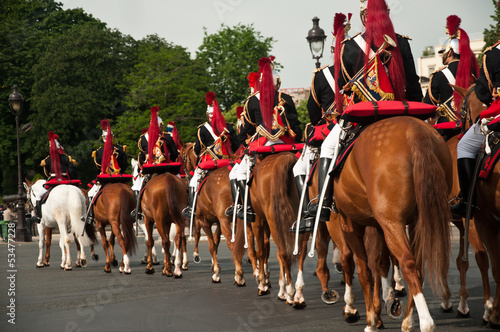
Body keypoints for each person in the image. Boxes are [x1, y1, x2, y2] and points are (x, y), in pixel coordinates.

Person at [311, 0, 423, 222]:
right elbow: (413, 85)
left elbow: (343, 85)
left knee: (328, 147)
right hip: (401, 112)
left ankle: (324, 203)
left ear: (364, 17)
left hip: (366, 115)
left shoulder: (349, 47)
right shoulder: (401, 42)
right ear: (387, 14)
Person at [292, 13, 350, 233]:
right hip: (364, 121)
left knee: (300, 168)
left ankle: (314, 209)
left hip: (336, 127)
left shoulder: (321, 75)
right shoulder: (360, 67)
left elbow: (313, 114)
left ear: (332, 49)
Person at [229, 56, 303, 222]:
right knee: (305, 167)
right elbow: (296, 127)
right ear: (277, 82)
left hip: (263, 142)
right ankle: (308, 203)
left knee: (238, 173)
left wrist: (245, 142)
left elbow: (246, 130)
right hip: (286, 143)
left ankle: (246, 208)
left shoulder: (252, 101)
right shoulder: (287, 98)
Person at [450, 39, 500, 217]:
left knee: (463, 145)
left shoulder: (493, 54)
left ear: (449, 53)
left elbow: (483, 93)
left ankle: (467, 203)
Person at [182, 91, 240, 218]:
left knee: (193, 182)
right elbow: (236, 146)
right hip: (228, 161)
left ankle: (191, 209)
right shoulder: (229, 127)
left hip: (209, 162)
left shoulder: (202, 129)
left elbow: (197, 150)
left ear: (208, 115)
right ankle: (240, 204)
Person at [423, 15, 479, 139]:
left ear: (449, 52)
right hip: (471, 128)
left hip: (447, 130)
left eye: (442, 52)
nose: (441, 55)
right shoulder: (473, 74)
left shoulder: (438, 76)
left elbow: (427, 106)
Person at [130, 106, 179, 219]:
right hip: (168, 168)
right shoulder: (167, 136)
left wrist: (141, 169)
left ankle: (138, 211)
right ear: (161, 126)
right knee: (183, 184)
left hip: (152, 169)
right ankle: (188, 207)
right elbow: (175, 154)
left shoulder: (143, 139)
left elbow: (141, 157)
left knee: (137, 187)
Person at [85, 119, 129, 223]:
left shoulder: (98, 152)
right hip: (119, 178)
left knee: (91, 194)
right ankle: (135, 211)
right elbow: (125, 165)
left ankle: (90, 216)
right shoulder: (120, 149)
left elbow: (98, 168)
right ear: (112, 137)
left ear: (103, 138)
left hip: (105, 178)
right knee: (131, 191)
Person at [32, 132, 78, 223]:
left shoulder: (47, 160)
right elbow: (72, 170)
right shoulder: (66, 157)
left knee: (38, 196)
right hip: (66, 180)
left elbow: (46, 174)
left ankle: (38, 216)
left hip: (53, 180)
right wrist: (72, 179)